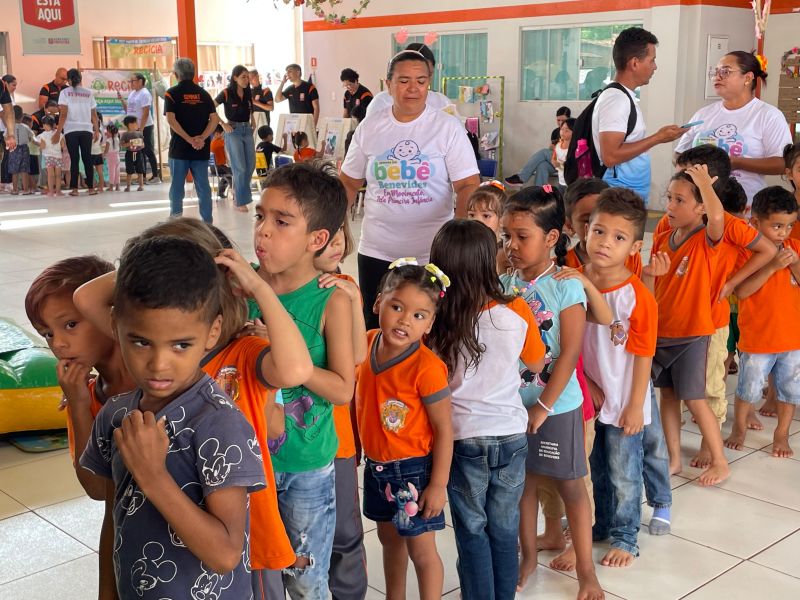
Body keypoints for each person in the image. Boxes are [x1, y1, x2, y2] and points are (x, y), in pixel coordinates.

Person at [79, 235, 266, 600]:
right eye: (141, 342)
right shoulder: (118, 414)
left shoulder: (219, 424)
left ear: (212, 332)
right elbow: (111, 510)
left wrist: (153, 477)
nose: (159, 364)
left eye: (181, 345)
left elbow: (225, 555)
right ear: (116, 325)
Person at [250, 163, 355, 598]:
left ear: (317, 239)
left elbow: (343, 389)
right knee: (253, 574)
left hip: (306, 466)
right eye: (260, 216)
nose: (263, 231)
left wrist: (291, 359)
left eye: (281, 222)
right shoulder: (240, 289)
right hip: (247, 462)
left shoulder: (330, 300)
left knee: (305, 581)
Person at [428, 220, 546, 599]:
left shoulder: (436, 317)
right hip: (510, 434)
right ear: (488, 261)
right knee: (505, 530)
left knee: (471, 531)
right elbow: (536, 362)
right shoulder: (517, 309)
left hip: (461, 438)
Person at [498, 186, 603, 599]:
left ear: (551, 238)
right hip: (513, 407)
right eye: (506, 236)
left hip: (557, 407)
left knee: (571, 486)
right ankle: (527, 558)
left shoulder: (565, 287)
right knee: (522, 485)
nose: (511, 245)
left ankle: (587, 572)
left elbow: (569, 353)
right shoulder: (504, 283)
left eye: (521, 236)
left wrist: (543, 405)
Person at [339, 49, 480, 329]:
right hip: (377, 250)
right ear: (389, 84)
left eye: (421, 81)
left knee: (431, 329)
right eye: (404, 81)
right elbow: (349, 183)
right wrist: (334, 228)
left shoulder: (447, 127)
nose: (413, 88)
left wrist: (458, 236)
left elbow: (467, 185)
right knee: (377, 327)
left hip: (432, 253)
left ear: (429, 84)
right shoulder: (370, 127)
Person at [25, 255, 135, 598]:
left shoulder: (161, 378)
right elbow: (99, 490)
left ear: (110, 313)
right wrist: (78, 404)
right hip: (125, 540)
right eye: (47, 333)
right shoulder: (84, 396)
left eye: (70, 324)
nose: (58, 343)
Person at [672, 146, 775, 468]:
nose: (680, 178)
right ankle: (673, 446)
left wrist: (732, 282)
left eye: (690, 173)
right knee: (676, 387)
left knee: (710, 385)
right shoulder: (674, 222)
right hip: (679, 320)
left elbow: (767, 250)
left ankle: (709, 445)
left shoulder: (726, 224)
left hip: (711, 320)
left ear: (709, 182)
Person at [356, 259, 453, 599]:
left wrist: (438, 485)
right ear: (377, 304)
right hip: (376, 467)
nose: (405, 320)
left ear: (430, 324)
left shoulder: (427, 368)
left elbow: (444, 428)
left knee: (421, 551)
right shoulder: (366, 343)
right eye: (396, 307)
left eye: (419, 315)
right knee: (389, 540)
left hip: (413, 470)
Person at [577, 189, 657, 568]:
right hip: (588, 398)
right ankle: (600, 524)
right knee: (596, 468)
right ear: (586, 231)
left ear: (635, 247)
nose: (605, 243)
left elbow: (643, 355)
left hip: (625, 400)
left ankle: (626, 536)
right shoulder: (574, 280)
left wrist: (636, 405)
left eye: (619, 237)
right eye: (598, 231)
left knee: (625, 472)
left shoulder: (637, 296)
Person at [649, 166, 730, 485]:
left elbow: (718, 216)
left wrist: (704, 185)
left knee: (695, 399)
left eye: (679, 200)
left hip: (692, 334)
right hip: (662, 331)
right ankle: (673, 459)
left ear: (700, 208)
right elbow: (654, 286)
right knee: (668, 396)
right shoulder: (662, 238)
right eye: (669, 198)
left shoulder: (706, 239)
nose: (670, 206)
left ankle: (720, 461)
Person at [313, 222, 370, 600]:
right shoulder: (273, 290)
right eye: (326, 237)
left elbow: (358, 355)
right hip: (289, 439)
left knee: (344, 532)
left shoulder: (345, 287)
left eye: (340, 235)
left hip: (337, 440)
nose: (336, 244)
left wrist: (352, 301)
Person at [725, 187, 800, 458]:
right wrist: (772, 266)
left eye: (789, 226)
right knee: (748, 389)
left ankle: (782, 434)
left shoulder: (794, 248)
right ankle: (739, 428)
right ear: (755, 223)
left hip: (793, 339)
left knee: (790, 392)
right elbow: (741, 291)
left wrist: (794, 264)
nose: (783, 233)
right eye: (777, 226)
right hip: (757, 340)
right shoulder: (748, 253)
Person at [675, 51, 792, 207]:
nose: (717, 77)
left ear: (748, 78)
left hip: (743, 206)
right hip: (699, 205)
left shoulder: (768, 115)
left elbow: (782, 164)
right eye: (715, 72)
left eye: (725, 71)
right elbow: (679, 154)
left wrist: (737, 162)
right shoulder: (703, 114)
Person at [592, 27, 687, 201]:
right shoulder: (617, 100)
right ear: (635, 63)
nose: (655, 67)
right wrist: (658, 138)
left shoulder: (623, 96)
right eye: (652, 60)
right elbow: (610, 156)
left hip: (628, 193)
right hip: (619, 195)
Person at [164, 57, 219, 223]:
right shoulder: (204, 94)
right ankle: (207, 222)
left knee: (177, 187)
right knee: (203, 187)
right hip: (200, 148)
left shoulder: (171, 93)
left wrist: (189, 139)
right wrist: (202, 138)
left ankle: (175, 220)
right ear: (193, 73)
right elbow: (214, 120)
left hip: (179, 149)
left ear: (176, 74)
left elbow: (171, 120)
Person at [364, 43, 453, 119]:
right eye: (404, 81)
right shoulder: (381, 102)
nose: (413, 88)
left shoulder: (442, 102)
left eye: (421, 79)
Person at [215, 65, 257, 212]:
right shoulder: (226, 93)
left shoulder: (247, 92)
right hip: (233, 130)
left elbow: (250, 108)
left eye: (247, 77)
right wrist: (222, 124)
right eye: (243, 77)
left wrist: (252, 120)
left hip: (247, 129)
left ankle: (237, 191)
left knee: (250, 165)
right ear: (235, 78)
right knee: (240, 167)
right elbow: (210, 107)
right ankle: (239, 200)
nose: (246, 80)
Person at [54, 68, 99, 196]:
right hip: (86, 130)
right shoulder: (88, 93)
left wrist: (58, 132)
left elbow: (63, 114)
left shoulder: (64, 93)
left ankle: (74, 189)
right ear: (80, 78)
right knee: (87, 158)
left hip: (71, 130)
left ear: (68, 80)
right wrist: (96, 130)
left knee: (74, 159)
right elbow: (94, 115)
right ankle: (91, 188)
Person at [505, 106, 571, 186]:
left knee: (543, 152)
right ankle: (539, 191)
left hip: (567, 163)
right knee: (542, 166)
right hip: (556, 162)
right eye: (558, 120)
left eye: (563, 120)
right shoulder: (556, 132)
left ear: (569, 119)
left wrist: (559, 147)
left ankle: (521, 177)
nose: (560, 123)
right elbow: (551, 148)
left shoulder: (573, 130)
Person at [119, 72, 160, 182]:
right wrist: (122, 100)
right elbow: (128, 110)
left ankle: (156, 176)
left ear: (140, 81)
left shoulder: (145, 93)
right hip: (135, 128)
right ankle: (143, 177)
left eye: (133, 81)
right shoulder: (132, 93)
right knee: (139, 152)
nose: (131, 83)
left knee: (148, 150)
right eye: (130, 81)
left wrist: (141, 129)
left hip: (145, 127)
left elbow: (146, 112)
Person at [466, 180, 510, 273]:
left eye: (486, 216)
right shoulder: (464, 247)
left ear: (502, 219)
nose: (477, 221)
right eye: (472, 215)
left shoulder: (506, 253)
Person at [36, 116, 66, 196]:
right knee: (58, 175)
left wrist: (38, 145)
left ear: (44, 125)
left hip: (48, 157)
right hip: (58, 156)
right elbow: (63, 145)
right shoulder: (59, 134)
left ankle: (51, 191)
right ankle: (58, 191)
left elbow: (42, 147)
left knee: (50, 175)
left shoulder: (43, 135)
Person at [8, 106, 32, 194]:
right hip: (24, 148)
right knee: (24, 170)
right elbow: (31, 137)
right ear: (22, 116)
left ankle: (15, 190)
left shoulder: (10, 127)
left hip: (13, 148)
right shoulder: (26, 127)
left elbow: (6, 137)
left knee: (14, 171)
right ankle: (25, 190)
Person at [121, 115, 145, 192]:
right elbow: (122, 144)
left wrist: (141, 144)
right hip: (129, 154)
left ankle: (141, 186)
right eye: (136, 123)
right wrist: (129, 144)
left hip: (138, 153)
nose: (138, 124)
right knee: (129, 170)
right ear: (130, 124)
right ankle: (128, 187)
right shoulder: (125, 134)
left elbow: (143, 144)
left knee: (140, 170)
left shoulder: (139, 133)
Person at [210, 125, 231, 199]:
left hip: (213, 168)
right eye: (222, 134)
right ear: (216, 134)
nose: (223, 136)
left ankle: (220, 192)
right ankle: (236, 192)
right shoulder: (221, 143)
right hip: (219, 167)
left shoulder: (212, 142)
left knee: (227, 175)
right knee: (234, 173)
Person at [553, 117, 575, 188]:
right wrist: (554, 162)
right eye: (562, 129)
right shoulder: (558, 145)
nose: (563, 132)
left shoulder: (575, 148)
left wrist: (563, 164)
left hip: (571, 183)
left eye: (567, 130)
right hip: (561, 181)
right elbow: (554, 158)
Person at [89, 112, 106, 193]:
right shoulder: (100, 133)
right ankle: (101, 187)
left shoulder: (92, 133)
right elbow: (100, 143)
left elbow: (90, 143)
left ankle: (92, 187)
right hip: (99, 153)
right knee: (100, 172)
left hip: (92, 153)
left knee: (91, 172)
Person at [1, 73, 17, 151]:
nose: (15, 87)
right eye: (13, 85)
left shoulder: (2, 86)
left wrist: (11, 134)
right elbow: (3, 113)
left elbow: (9, 112)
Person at [105, 122, 121, 192]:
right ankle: (117, 187)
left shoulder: (108, 140)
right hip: (117, 156)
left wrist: (102, 155)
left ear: (111, 133)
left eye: (107, 132)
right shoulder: (117, 139)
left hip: (111, 157)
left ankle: (111, 187)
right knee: (117, 172)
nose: (106, 133)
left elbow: (106, 150)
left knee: (111, 172)